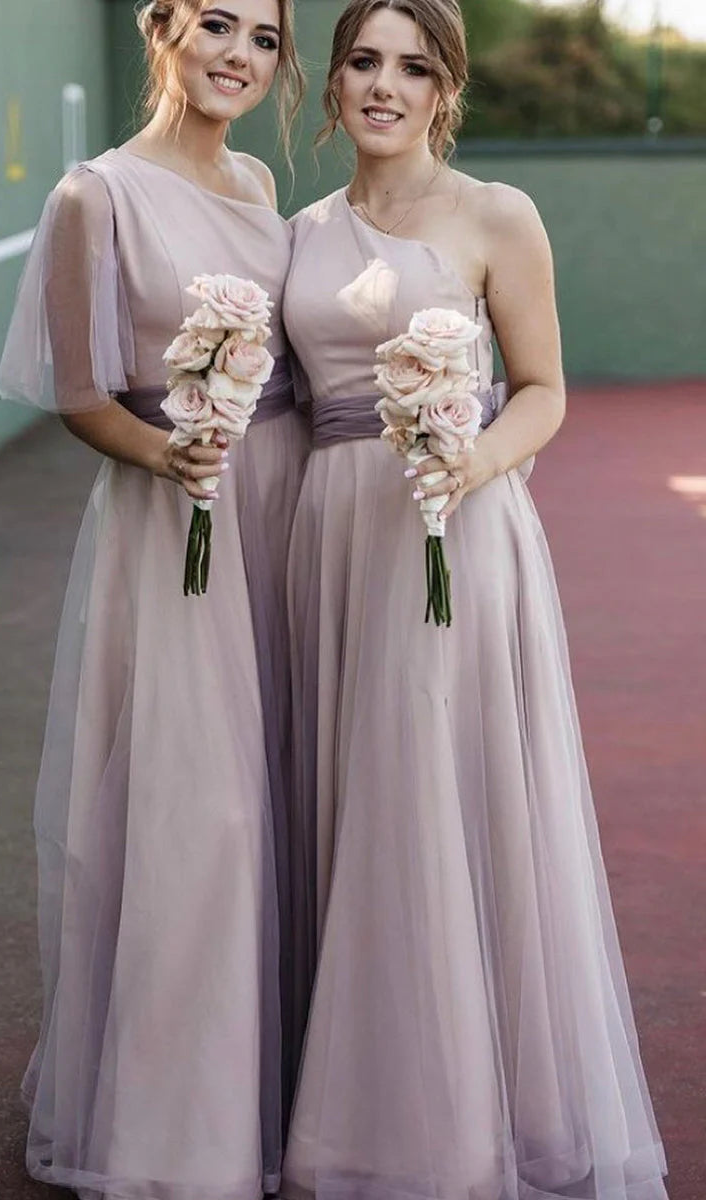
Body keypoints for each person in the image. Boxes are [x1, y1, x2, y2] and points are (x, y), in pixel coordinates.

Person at [281, 2, 668, 1197]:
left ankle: (450, 1125)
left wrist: (473, 463)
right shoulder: (296, 235)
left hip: (454, 530)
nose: (382, 85)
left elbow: (542, 387)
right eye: (362, 61)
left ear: (445, 89)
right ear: (333, 81)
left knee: (434, 798)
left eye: (412, 67)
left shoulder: (499, 215)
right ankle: (348, 1097)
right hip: (330, 540)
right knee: (350, 798)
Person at [0, 2, 307, 1196]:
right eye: (216, 24)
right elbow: (80, 395)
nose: (240, 55)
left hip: (280, 510)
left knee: (278, 787)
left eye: (265, 38)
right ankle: (182, 1129)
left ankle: (278, 1082)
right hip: (176, 513)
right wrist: (165, 453)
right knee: (198, 814)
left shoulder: (259, 183)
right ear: (159, 29)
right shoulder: (95, 196)